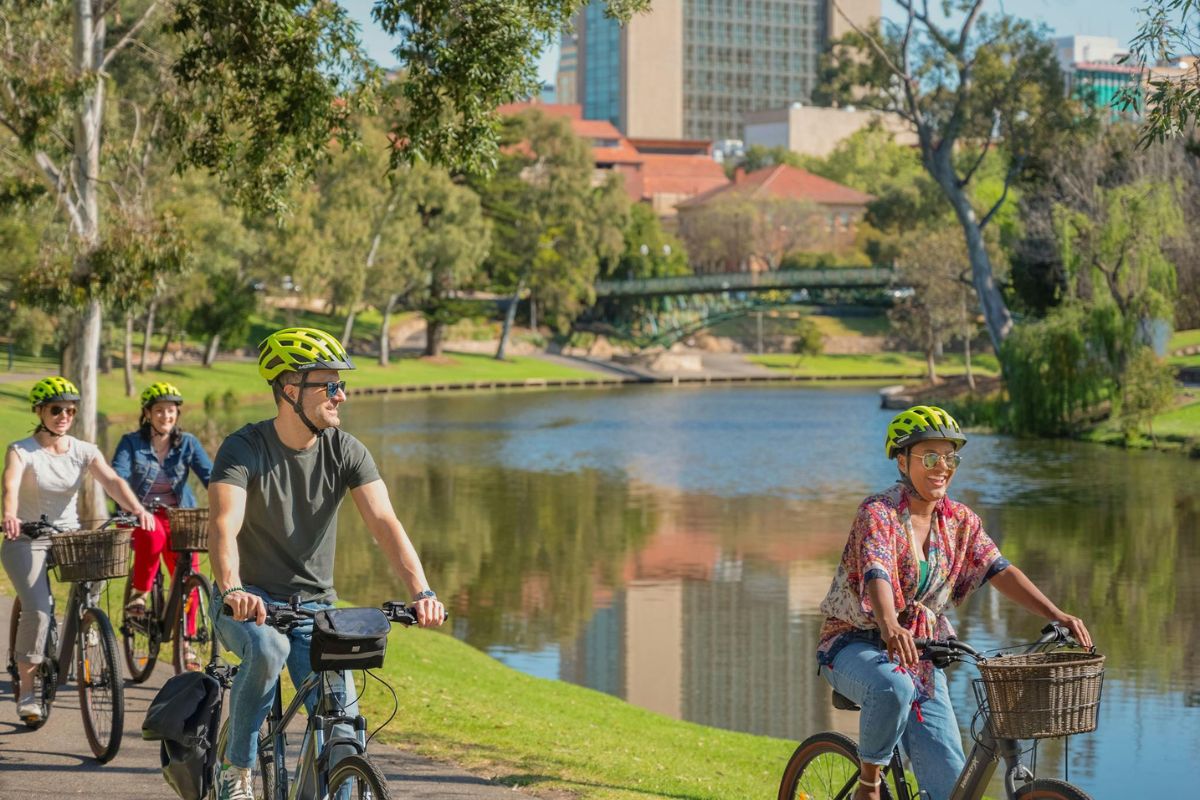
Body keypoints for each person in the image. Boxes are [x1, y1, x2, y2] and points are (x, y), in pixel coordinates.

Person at [209, 327, 446, 800]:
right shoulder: (244, 449)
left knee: (344, 724)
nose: (342, 394)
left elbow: (384, 523)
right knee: (268, 651)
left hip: (316, 607)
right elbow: (223, 525)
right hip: (248, 600)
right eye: (330, 385)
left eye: (342, 384)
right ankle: (235, 769)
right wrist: (233, 588)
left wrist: (422, 591)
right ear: (290, 391)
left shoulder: (345, 450)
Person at [815, 405, 1093, 800]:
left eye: (950, 457)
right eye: (931, 457)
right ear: (902, 460)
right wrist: (890, 623)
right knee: (892, 686)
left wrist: (1057, 614)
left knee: (952, 791)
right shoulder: (878, 513)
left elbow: (999, 569)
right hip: (855, 644)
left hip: (922, 656)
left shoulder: (960, 521)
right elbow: (876, 570)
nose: (942, 466)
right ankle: (869, 784)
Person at [1, 377, 156, 724]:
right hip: (27, 537)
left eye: (70, 410)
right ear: (39, 411)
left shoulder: (84, 450)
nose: (64, 416)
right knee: (39, 610)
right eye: (56, 409)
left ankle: (87, 624)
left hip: (68, 536)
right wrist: (10, 516)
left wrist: (137, 510)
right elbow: (10, 483)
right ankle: (27, 690)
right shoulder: (21, 450)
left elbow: (113, 481)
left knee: (98, 571)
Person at [112, 382, 213, 668]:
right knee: (152, 534)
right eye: (159, 411)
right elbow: (117, 477)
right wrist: (134, 508)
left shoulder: (188, 443)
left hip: (178, 515)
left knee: (189, 574)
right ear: (147, 413)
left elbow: (211, 477)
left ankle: (187, 644)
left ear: (177, 414)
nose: (166, 416)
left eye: (171, 411)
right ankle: (140, 595)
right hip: (139, 514)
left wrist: (228, 501)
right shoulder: (131, 443)